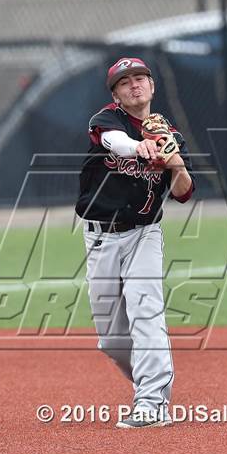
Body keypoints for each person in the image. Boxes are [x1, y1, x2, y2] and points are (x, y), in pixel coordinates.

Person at [76, 57, 195, 428]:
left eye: (140, 78)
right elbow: (115, 142)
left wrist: (176, 163)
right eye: (124, 82)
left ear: (152, 86)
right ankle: (148, 382)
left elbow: (184, 193)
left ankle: (151, 401)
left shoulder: (169, 135)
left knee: (146, 312)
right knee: (112, 341)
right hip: (99, 237)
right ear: (116, 94)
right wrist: (140, 147)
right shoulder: (107, 121)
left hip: (144, 234)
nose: (134, 85)